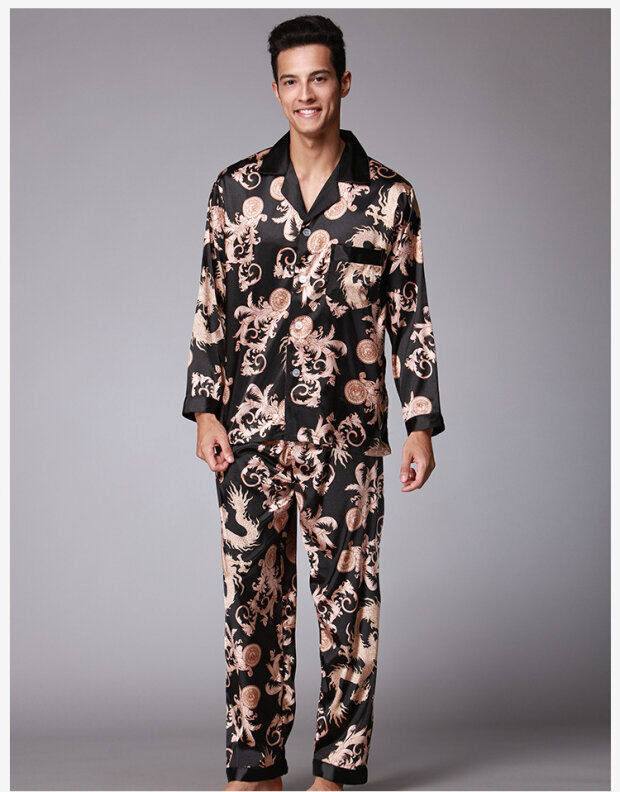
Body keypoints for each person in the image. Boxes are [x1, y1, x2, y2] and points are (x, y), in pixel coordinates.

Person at [182, 14, 445, 791]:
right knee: (251, 606)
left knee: (348, 607)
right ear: (276, 90)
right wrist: (205, 410)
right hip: (249, 434)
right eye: (291, 81)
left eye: (319, 78)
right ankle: (255, 764)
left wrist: (421, 424)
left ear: (344, 84)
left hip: (348, 434)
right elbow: (211, 303)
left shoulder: (389, 197)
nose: (306, 94)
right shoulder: (234, 189)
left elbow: (411, 316)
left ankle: (338, 768)